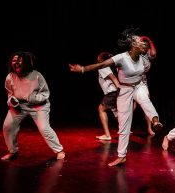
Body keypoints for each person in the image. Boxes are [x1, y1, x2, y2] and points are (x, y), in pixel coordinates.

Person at [69, 28, 163, 166]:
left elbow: (153, 54)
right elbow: (101, 65)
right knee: (124, 124)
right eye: (138, 41)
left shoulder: (143, 56)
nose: (142, 43)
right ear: (132, 45)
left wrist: (148, 40)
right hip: (124, 89)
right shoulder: (121, 58)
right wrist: (82, 69)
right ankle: (121, 156)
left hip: (139, 85)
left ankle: (155, 122)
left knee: (144, 99)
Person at [1, 51, 65, 161]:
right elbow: (10, 94)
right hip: (19, 106)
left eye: (20, 60)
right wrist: (13, 101)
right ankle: (13, 151)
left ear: (25, 62)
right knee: (8, 126)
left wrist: (33, 99)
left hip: (39, 106)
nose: (16, 63)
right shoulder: (10, 77)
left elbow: (45, 94)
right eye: (14, 60)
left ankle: (59, 150)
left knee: (44, 128)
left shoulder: (36, 75)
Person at [133, 35, 156, 136]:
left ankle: (149, 128)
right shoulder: (135, 54)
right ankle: (124, 126)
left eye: (146, 46)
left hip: (143, 81)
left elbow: (154, 53)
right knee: (132, 106)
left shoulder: (146, 55)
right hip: (133, 82)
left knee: (147, 104)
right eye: (143, 45)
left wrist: (149, 40)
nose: (145, 47)